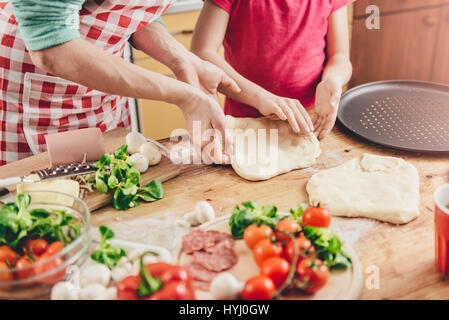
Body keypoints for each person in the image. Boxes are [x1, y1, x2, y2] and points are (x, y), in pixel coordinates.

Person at [0, 0, 239, 165]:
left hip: (102, 91)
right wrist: (185, 96)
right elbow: (50, 45)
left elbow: (133, 11)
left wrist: (184, 61)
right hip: (35, 93)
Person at [191, 0, 354, 140]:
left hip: (311, 119)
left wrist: (333, 79)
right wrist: (260, 98)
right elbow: (202, 54)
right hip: (246, 121)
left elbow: (339, 56)